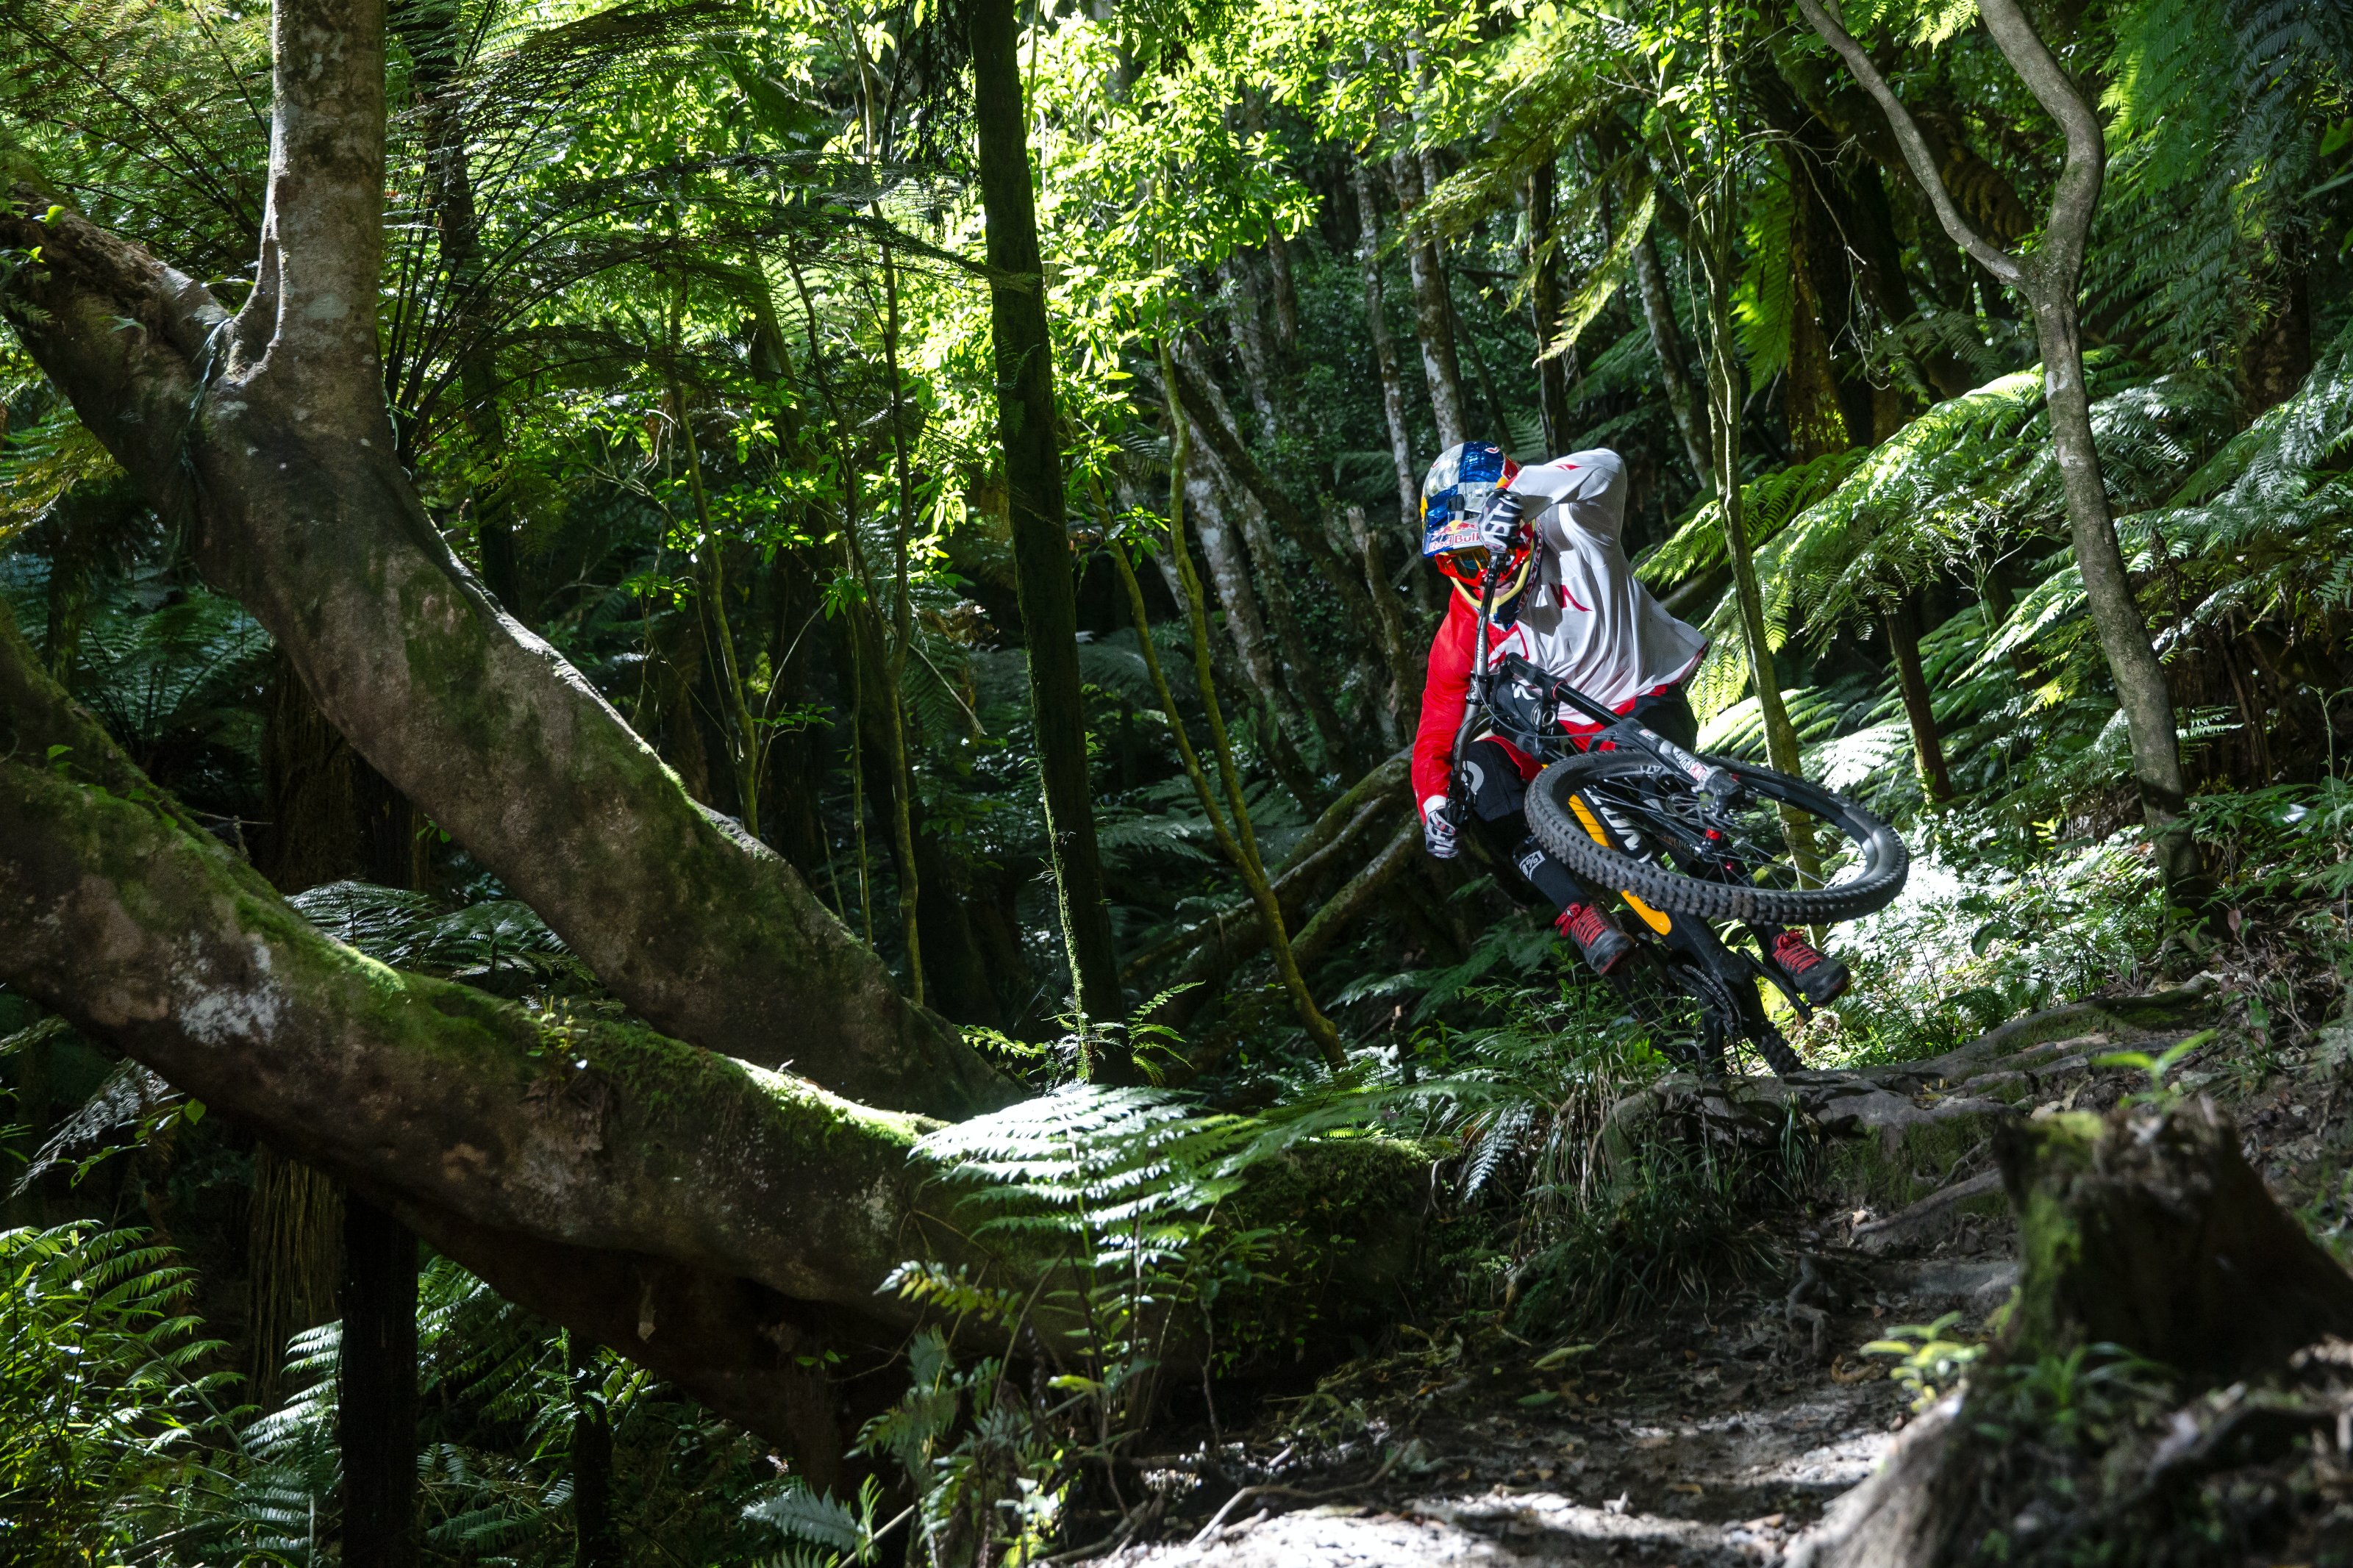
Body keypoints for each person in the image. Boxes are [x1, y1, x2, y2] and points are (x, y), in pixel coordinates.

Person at [1410, 440, 1849, 1006]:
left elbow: (1607, 467)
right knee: (1476, 768)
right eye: (1459, 561)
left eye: (1482, 551)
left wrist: (1519, 497)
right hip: (1571, 750)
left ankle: (1782, 940)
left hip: (1645, 708)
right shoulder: (1464, 626)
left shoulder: (1576, 527)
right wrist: (1433, 803)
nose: (1479, 570)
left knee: (1673, 813)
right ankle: (1580, 913)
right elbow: (1436, 732)